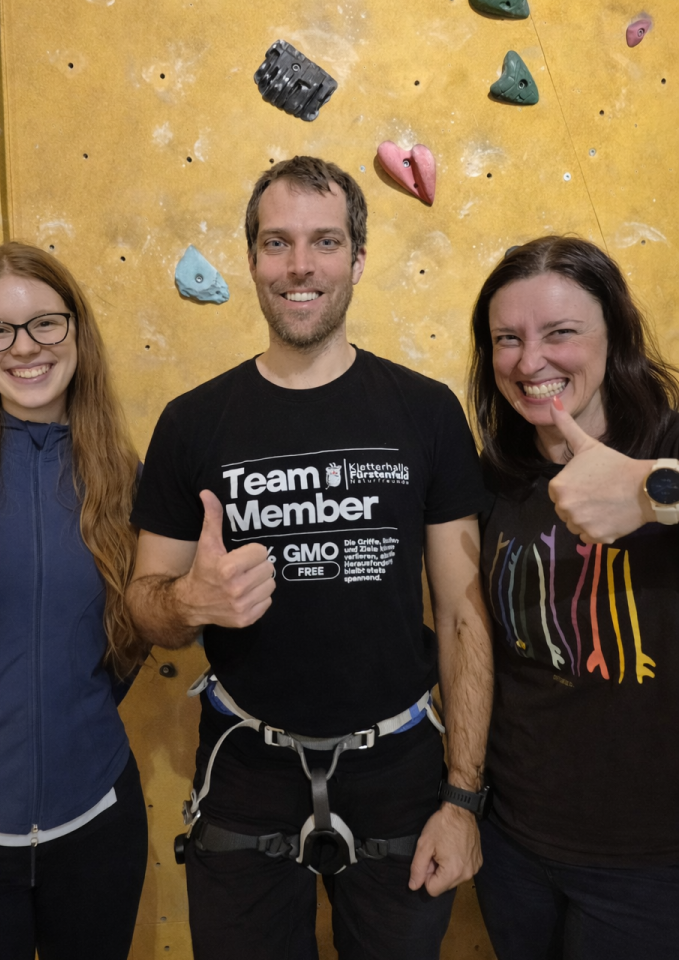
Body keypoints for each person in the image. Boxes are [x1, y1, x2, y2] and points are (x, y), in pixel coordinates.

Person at [127, 155, 493, 960]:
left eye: (325, 242)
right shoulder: (192, 423)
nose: (300, 265)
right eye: (277, 242)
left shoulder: (425, 413)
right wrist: (190, 602)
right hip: (245, 766)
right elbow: (145, 605)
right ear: (251, 258)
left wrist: (463, 798)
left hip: (399, 769)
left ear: (357, 259)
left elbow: (465, 615)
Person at [0, 242, 148, 960]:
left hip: (98, 824)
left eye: (46, 322)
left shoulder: (121, 473)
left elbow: (130, 634)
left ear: (75, 328)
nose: (26, 348)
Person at [468, 235, 679, 960]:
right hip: (514, 845)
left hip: (652, 864)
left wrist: (654, 494)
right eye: (507, 339)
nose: (531, 363)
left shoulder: (670, 449)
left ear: (614, 335)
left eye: (561, 332)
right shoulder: (497, 477)